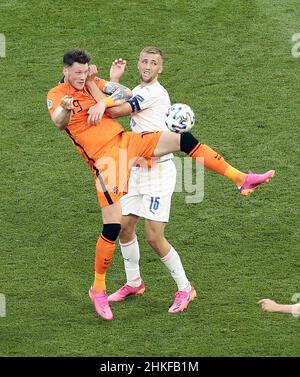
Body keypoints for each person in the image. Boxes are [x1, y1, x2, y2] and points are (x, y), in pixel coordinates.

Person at [47, 48, 275, 321]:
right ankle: (98, 289)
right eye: (78, 73)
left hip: (129, 143)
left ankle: (241, 179)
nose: (82, 77)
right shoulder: (56, 96)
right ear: (65, 71)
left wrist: (103, 91)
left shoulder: (92, 84)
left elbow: (124, 94)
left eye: (85, 72)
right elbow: (59, 123)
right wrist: (65, 108)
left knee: (183, 140)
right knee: (113, 226)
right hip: (108, 162)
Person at [88, 47, 196, 313]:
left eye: (154, 63)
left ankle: (185, 288)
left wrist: (93, 82)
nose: (148, 66)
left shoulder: (156, 93)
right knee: (124, 227)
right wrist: (114, 80)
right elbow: (121, 96)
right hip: (136, 170)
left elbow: (113, 111)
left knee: (153, 237)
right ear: (139, 64)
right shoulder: (138, 89)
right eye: (145, 61)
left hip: (158, 174)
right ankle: (134, 282)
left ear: (161, 69)